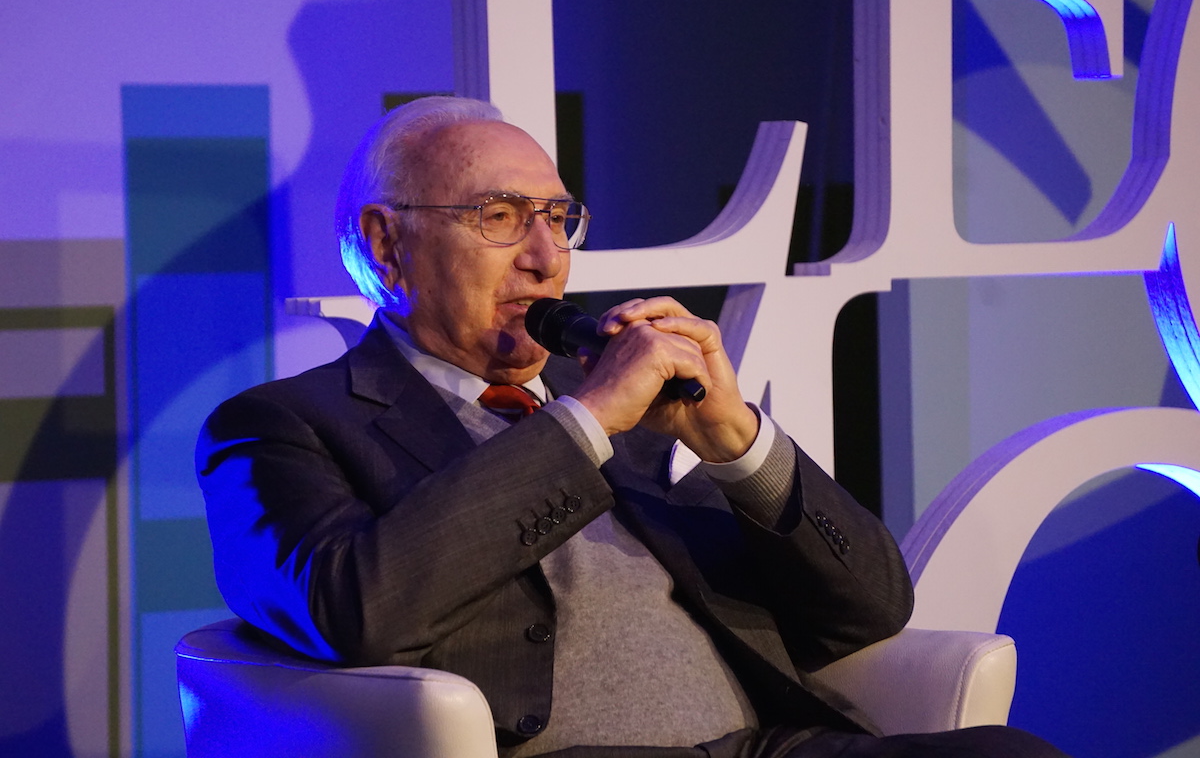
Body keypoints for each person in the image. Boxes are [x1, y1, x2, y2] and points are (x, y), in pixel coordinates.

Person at [197, 96, 1066, 757]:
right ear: (387, 245)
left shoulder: (638, 409)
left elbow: (871, 610)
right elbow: (356, 610)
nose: (546, 258)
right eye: (499, 218)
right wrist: (585, 422)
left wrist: (738, 444)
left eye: (557, 219)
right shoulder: (281, 427)